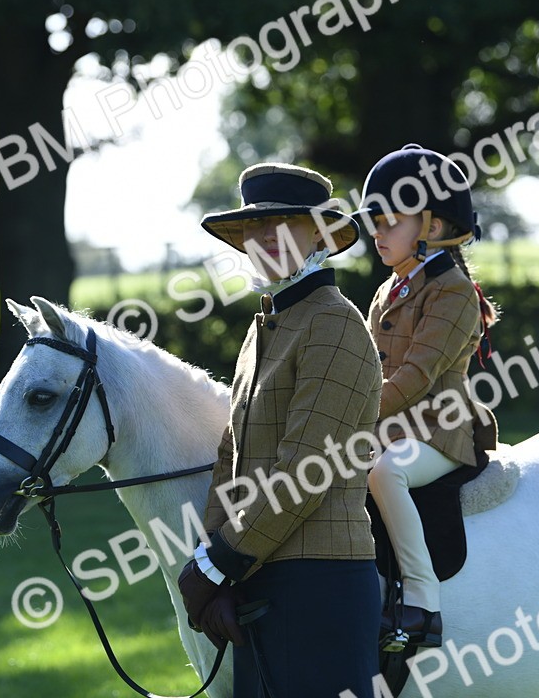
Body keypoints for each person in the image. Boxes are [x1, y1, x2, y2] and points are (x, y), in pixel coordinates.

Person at [178, 162, 383, 698]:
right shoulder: (264, 324)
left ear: (317, 231)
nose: (265, 238)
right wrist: (220, 567)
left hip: (321, 584)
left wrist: (217, 563)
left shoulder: (333, 322)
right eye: (254, 228)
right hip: (261, 575)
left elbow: (305, 471)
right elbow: (231, 457)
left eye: (284, 224)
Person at [359, 143, 499, 652]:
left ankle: (422, 601)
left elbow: (417, 376)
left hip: (438, 433)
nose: (377, 231)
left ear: (433, 228)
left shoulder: (454, 292)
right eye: (374, 219)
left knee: (384, 471)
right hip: (387, 426)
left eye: (390, 220)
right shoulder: (387, 290)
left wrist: (355, 416)